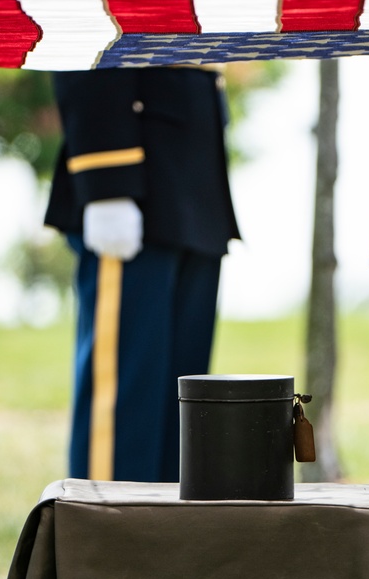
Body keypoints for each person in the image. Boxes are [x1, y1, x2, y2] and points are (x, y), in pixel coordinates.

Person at [44, 66, 240, 483]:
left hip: (191, 178)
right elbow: (91, 25)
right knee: (124, 412)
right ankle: (106, 542)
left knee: (181, 415)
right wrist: (106, 179)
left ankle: (161, 543)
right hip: (135, 175)